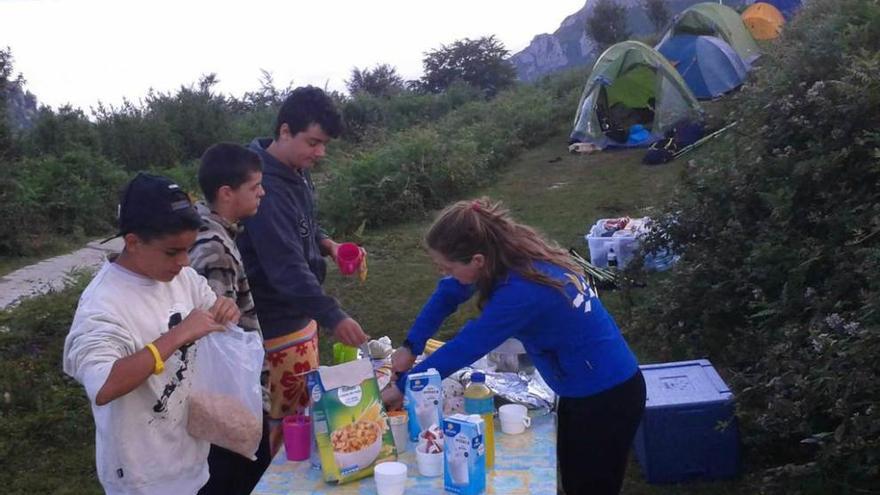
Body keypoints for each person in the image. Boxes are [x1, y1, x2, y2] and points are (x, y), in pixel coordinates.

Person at [382, 198, 646, 495]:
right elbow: (448, 294)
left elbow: (468, 345)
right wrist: (410, 346)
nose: (446, 275)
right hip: (584, 386)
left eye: (448, 267)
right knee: (575, 478)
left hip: (607, 396)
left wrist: (403, 385)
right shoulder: (505, 255)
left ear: (477, 260)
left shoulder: (521, 291)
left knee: (590, 486)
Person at [63, 173, 240, 495]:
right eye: (173, 252)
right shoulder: (102, 305)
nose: (184, 262)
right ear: (133, 242)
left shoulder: (183, 278)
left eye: (188, 249)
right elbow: (103, 385)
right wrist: (177, 336)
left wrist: (226, 309)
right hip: (143, 477)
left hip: (192, 457)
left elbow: (216, 311)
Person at [237, 86, 369, 449]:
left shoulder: (293, 168)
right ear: (284, 131)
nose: (320, 152)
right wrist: (334, 315)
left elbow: (304, 223)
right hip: (276, 322)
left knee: (301, 414)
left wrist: (328, 244)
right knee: (282, 426)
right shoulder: (264, 186)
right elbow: (285, 267)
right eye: (313, 142)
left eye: (324, 144)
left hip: (300, 314)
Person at [189, 143, 271, 495]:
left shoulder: (212, 231)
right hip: (229, 397)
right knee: (240, 478)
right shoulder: (215, 249)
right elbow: (216, 332)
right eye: (254, 187)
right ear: (226, 193)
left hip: (228, 394)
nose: (262, 193)